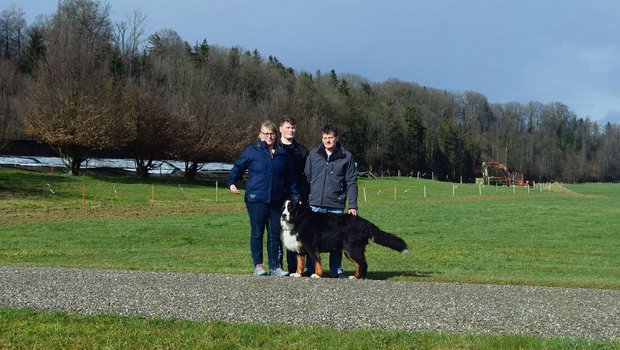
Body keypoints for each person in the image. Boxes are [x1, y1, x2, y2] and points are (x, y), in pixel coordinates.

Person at [228, 120, 300, 277]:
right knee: (257, 233)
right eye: (266, 133)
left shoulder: (283, 154)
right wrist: (232, 182)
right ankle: (258, 265)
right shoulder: (252, 151)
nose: (269, 136)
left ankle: (275, 267)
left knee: (275, 234)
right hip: (256, 200)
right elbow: (238, 167)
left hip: (276, 202)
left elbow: (290, 178)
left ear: (276, 135)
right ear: (260, 135)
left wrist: (296, 196)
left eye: (272, 133)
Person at [304, 124, 358, 278]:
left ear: (337, 138)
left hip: (335, 205)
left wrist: (352, 205)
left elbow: (351, 182)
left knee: (336, 241)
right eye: (325, 138)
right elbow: (307, 179)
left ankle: (336, 270)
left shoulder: (346, 156)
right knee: (310, 240)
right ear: (322, 138)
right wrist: (304, 201)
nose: (328, 140)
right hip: (314, 206)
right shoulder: (314, 155)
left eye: (331, 137)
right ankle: (310, 268)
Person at [277, 116, 309, 273]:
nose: (291, 130)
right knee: (277, 234)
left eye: (293, 128)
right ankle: (278, 267)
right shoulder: (274, 148)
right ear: (280, 129)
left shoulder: (302, 151)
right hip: (277, 196)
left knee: (297, 234)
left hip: (297, 198)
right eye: (288, 127)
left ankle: (295, 268)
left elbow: (308, 174)